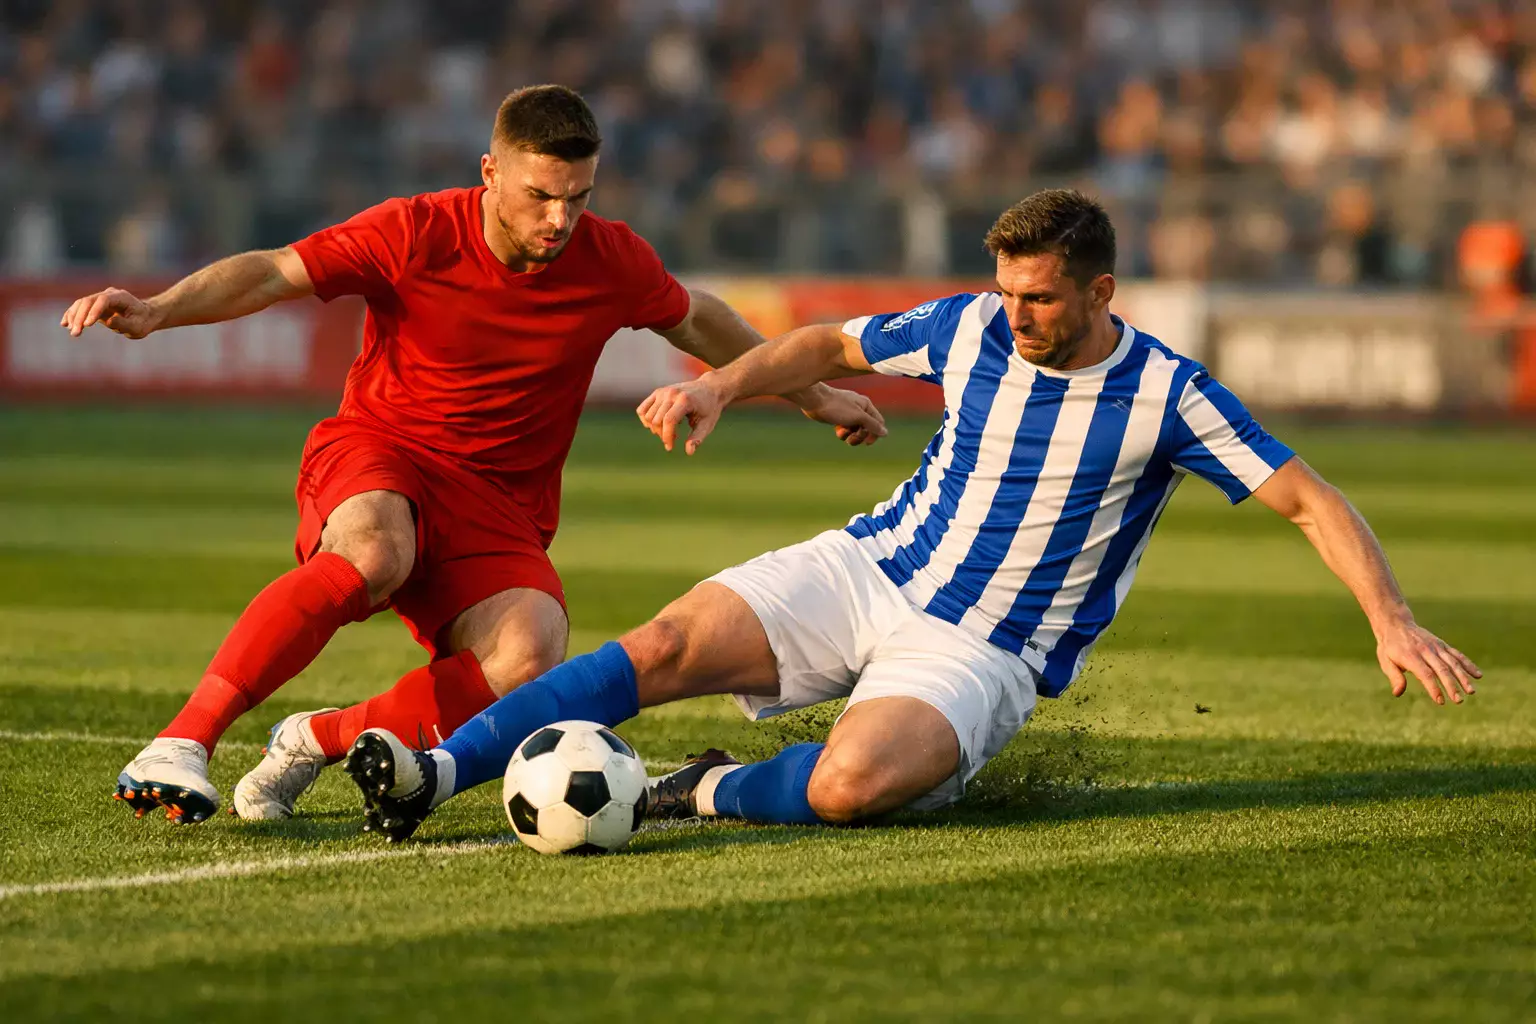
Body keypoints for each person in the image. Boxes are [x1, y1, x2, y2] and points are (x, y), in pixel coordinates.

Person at [342, 189, 1482, 842]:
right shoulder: (973, 326)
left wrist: (1390, 617)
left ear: (1100, 293)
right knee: (662, 643)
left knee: (847, 785)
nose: (1017, 315)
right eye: (1006, 291)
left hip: (986, 643)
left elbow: (1306, 498)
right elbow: (834, 344)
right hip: (875, 563)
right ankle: (440, 773)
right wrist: (717, 385)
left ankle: (693, 786)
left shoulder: (1170, 395)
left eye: (1041, 298)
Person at [58, 85, 885, 825]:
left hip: (498, 502)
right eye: (540, 196)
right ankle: (180, 742)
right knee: (377, 551)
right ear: (489, 171)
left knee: (530, 653)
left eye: (578, 197)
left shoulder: (611, 258)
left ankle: (317, 736)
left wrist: (811, 394)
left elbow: (696, 317)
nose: (560, 219)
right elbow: (275, 272)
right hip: (382, 448)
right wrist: (161, 309)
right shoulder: (414, 231)